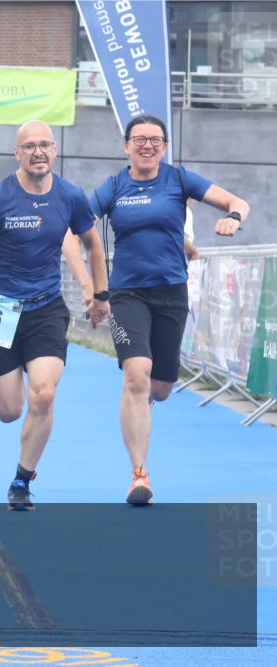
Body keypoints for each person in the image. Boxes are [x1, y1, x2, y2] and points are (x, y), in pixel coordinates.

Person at [89, 114, 249, 505]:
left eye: (155, 140)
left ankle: (143, 398)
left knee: (160, 387)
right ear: (126, 145)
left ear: (164, 146)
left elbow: (236, 201)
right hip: (127, 294)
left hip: (171, 294)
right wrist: (93, 285)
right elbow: (80, 221)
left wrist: (232, 218)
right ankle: (139, 474)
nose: (147, 146)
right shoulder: (113, 186)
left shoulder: (179, 180)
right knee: (136, 374)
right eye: (139, 139)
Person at [0, 119, 110, 511]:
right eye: (30, 146)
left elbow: (92, 243)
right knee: (8, 411)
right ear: (17, 153)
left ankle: (22, 481)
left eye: (45, 145)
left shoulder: (71, 196)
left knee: (43, 393)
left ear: (55, 150)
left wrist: (100, 294)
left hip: (45, 308)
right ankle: (14, 398)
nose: (38, 152)